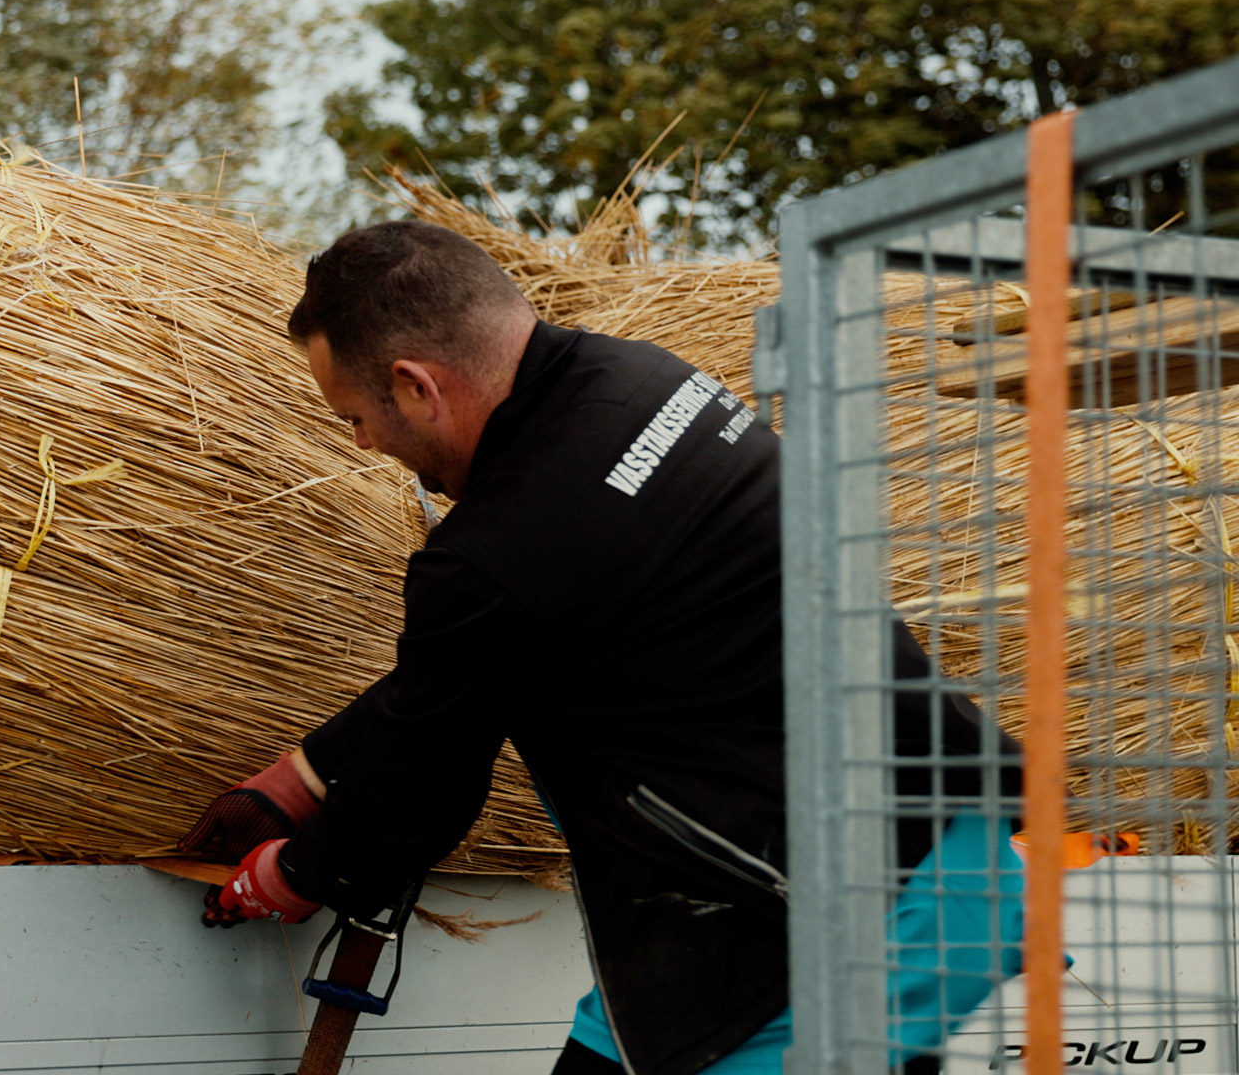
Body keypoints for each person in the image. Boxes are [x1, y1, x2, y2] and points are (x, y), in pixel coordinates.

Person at [178, 220, 1024, 1075]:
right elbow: (484, 657)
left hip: (805, 931)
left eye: (357, 417)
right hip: (945, 845)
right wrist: (308, 771)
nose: (363, 444)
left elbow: (418, 796)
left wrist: (295, 874)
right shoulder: (649, 383)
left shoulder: (494, 549)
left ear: (417, 386)